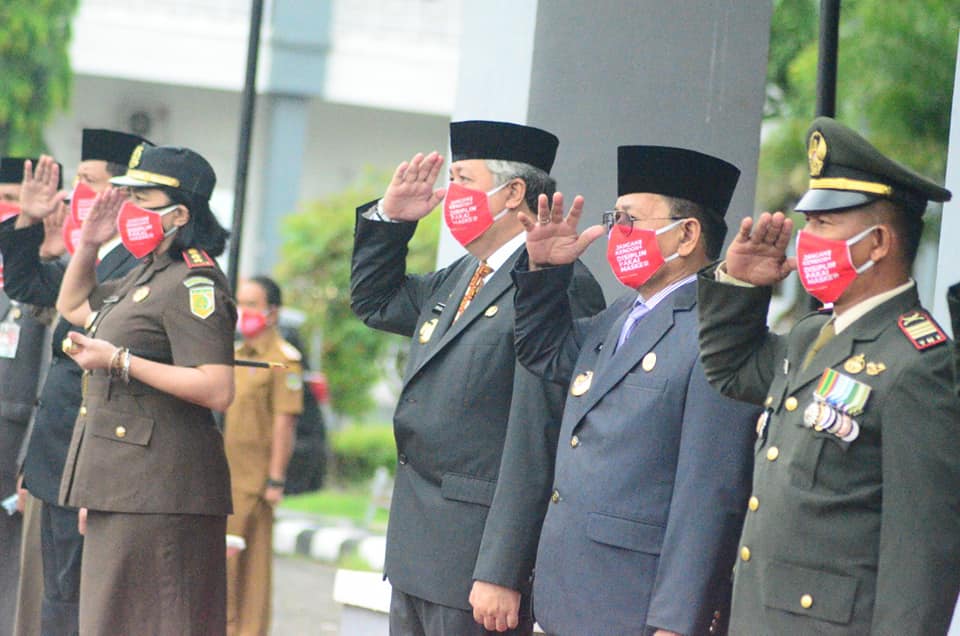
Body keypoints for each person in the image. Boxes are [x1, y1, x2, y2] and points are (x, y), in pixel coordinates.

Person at [697, 116, 960, 633]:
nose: (805, 239)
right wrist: (740, 289)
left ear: (878, 243)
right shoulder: (810, 335)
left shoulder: (919, 365)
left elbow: (921, 555)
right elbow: (731, 373)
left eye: (823, 225)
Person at [350, 120, 605, 635]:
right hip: (420, 550)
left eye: (464, 178)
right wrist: (391, 221)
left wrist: (502, 569)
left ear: (512, 192)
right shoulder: (466, 272)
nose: (449, 194)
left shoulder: (556, 286)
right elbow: (376, 303)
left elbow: (537, 435)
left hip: (475, 560)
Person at [511, 145, 758, 635]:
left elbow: (708, 494)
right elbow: (546, 354)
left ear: (687, 235)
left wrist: (677, 621)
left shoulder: (714, 333)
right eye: (614, 216)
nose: (617, 232)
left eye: (630, 219)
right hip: (569, 597)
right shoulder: (622, 315)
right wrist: (544, 273)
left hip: (633, 607)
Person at [55, 144, 236, 634]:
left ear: (179, 213)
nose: (130, 206)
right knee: (109, 620)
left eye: (143, 195)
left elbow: (216, 387)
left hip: (164, 491)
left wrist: (119, 360)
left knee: (160, 620)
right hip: (124, 484)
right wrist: (90, 243)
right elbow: (74, 307)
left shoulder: (194, 283)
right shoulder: (147, 274)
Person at [0, 130, 146, 635]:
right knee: (57, 595)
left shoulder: (138, 260)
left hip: (99, 453)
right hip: (57, 450)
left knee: (82, 597)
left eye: (88, 180)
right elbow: (25, 286)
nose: (75, 191)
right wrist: (30, 224)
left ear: (122, 192)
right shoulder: (95, 251)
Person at [224, 275, 304, 636]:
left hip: (252, 482)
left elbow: (283, 424)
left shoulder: (284, 360)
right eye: (240, 303)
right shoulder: (235, 354)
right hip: (222, 478)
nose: (244, 312)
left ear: (272, 312)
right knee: (221, 575)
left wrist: (275, 479)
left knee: (248, 577)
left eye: (252, 304)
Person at [0, 157, 53, 635]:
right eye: (6, 199)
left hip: (13, 438)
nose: (11, 211)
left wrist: (30, 454)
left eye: (18, 200)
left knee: (12, 560)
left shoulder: (39, 275)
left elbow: (45, 376)